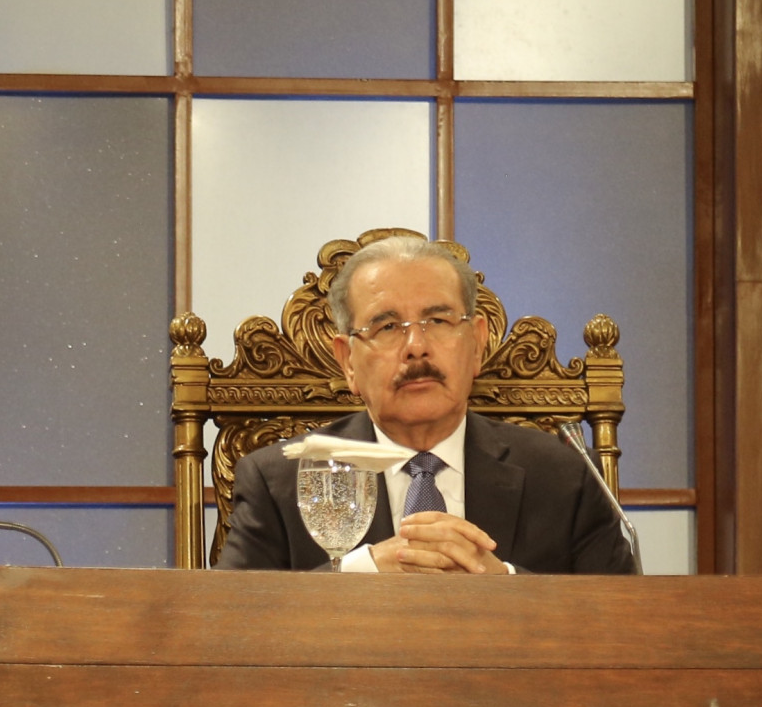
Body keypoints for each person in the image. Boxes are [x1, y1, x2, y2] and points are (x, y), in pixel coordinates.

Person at [216, 236, 636, 574]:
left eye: (437, 321)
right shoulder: (280, 482)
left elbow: (615, 623)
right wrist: (363, 572)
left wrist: (505, 587)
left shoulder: (565, 475)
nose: (416, 347)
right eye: (386, 326)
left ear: (477, 344)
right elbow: (232, 625)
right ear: (348, 362)